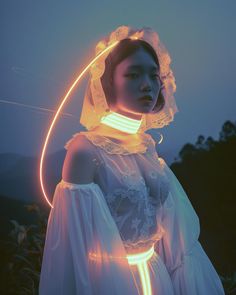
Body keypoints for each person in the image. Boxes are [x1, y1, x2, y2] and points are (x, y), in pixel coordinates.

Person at [39, 25, 225, 294]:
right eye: (133, 74)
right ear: (108, 82)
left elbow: (172, 234)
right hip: (111, 282)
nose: (147, 84)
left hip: (156, 275)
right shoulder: (85, 149)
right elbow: (72, 250)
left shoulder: (146, 146)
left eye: (153, 74)